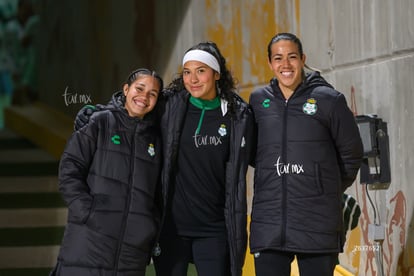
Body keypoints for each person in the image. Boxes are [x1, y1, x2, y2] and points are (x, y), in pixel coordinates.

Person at [75, 41, 255, 276]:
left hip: (215, 229)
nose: (193, 79)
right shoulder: (169, 106)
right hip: (171, 229)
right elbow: (134, 106)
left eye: (201, 71)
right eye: (188, 72)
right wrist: (97, 113)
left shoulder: (237, 116)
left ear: (217, 74)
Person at [248, 32, 363, 276]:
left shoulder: (329, 100)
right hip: (269, 224)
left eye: (292, 57)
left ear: (302, 59)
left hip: (317, 223)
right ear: (270, 63)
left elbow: (352, 155)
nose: (285, 64)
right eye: (278, 58)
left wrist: (323, 186)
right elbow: (253, 153)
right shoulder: (258, 101)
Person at [50, 68, 164, 276]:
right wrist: (88, 212)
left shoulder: (155, 138)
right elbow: (69, 171)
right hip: (90, 242)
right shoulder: (99, 122)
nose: (144, 97)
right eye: (139, 88)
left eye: (152, 94)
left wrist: (147, 226)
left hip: (132, 252)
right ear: (126, 89)